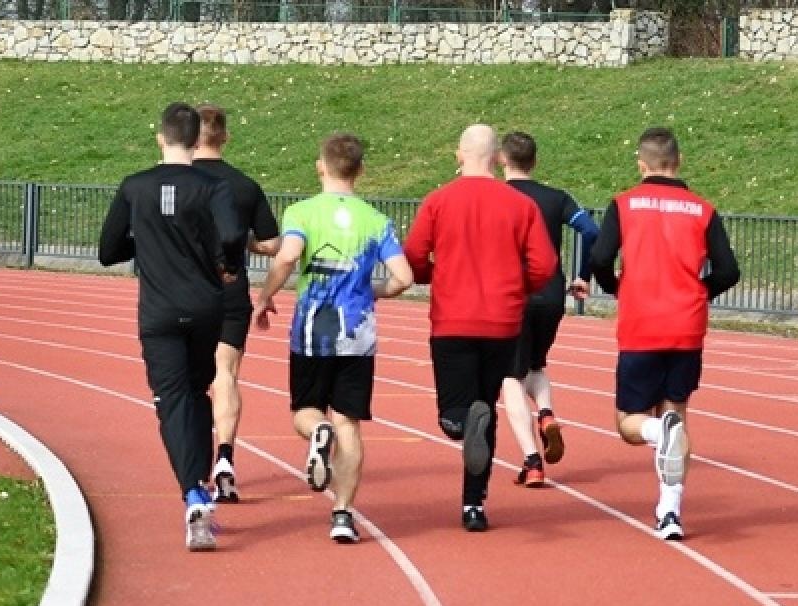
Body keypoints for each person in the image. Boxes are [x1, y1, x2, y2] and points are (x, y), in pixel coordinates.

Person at [252, 132, 412, 543]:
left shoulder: (302, 212)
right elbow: (404, 278)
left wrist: (265, 296)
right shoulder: (376, 221)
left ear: (320, 166)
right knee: (350, 425)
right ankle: (343, 515)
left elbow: (288, 256)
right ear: (359, 171)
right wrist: (371, 291)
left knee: (306, 411)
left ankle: (316, 431)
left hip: (312, 332)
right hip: (358, 335)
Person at [99, 102, 245, 551]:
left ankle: (193, 493)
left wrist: (145, 242)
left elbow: (108, 249)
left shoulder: (134, 187)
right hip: (206, 309)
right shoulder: (212, 186)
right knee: (197, 393)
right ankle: (198, 480)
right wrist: (226, 266)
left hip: (159, 313)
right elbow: (232, 234)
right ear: (197, 137)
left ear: (160, 137)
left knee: (171, 399)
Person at [588, 127, 740, 541]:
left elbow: (600, 256)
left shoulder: (624, 204)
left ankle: (657, 433)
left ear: (642, 163)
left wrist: (613, 285)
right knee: (678, 411)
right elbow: (729, 270)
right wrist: (701, 290)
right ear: (679, 160)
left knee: (628, 424)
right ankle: (669, 511)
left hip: (641, 322)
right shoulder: (702, 210)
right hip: (686, 324)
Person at [403, 124, 556, 532]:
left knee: (456, 413)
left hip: (453, 318)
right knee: (485, 406)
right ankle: (474, 504)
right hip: (503, 322)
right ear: (499, 158)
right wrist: (515, 285)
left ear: (459, 155)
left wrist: (435, 274)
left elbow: (414, 255)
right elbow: (544, 265)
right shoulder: (520, 205)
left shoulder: (438, 202)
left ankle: (457, 422)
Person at [498, 130, 600, 487]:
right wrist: (583, 275)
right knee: (536, 364)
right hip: (552, 293)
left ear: (501, 159)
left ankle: (531, 460)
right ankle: (545, 413)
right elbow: (591, 232)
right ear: (535, 162)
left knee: (509, 376)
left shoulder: (496, 196)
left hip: (511, 295)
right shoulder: (557, 198)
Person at [193, 104, 283, 503]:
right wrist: (242, 240)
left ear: (190, 137)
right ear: (225, 137)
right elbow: (273, 244)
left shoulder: (175, 182)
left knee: (189, 382)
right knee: (225, 374)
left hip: (185, 291)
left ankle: (194, 464)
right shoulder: (243, 186)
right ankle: (225, 456)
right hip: (231, 289)